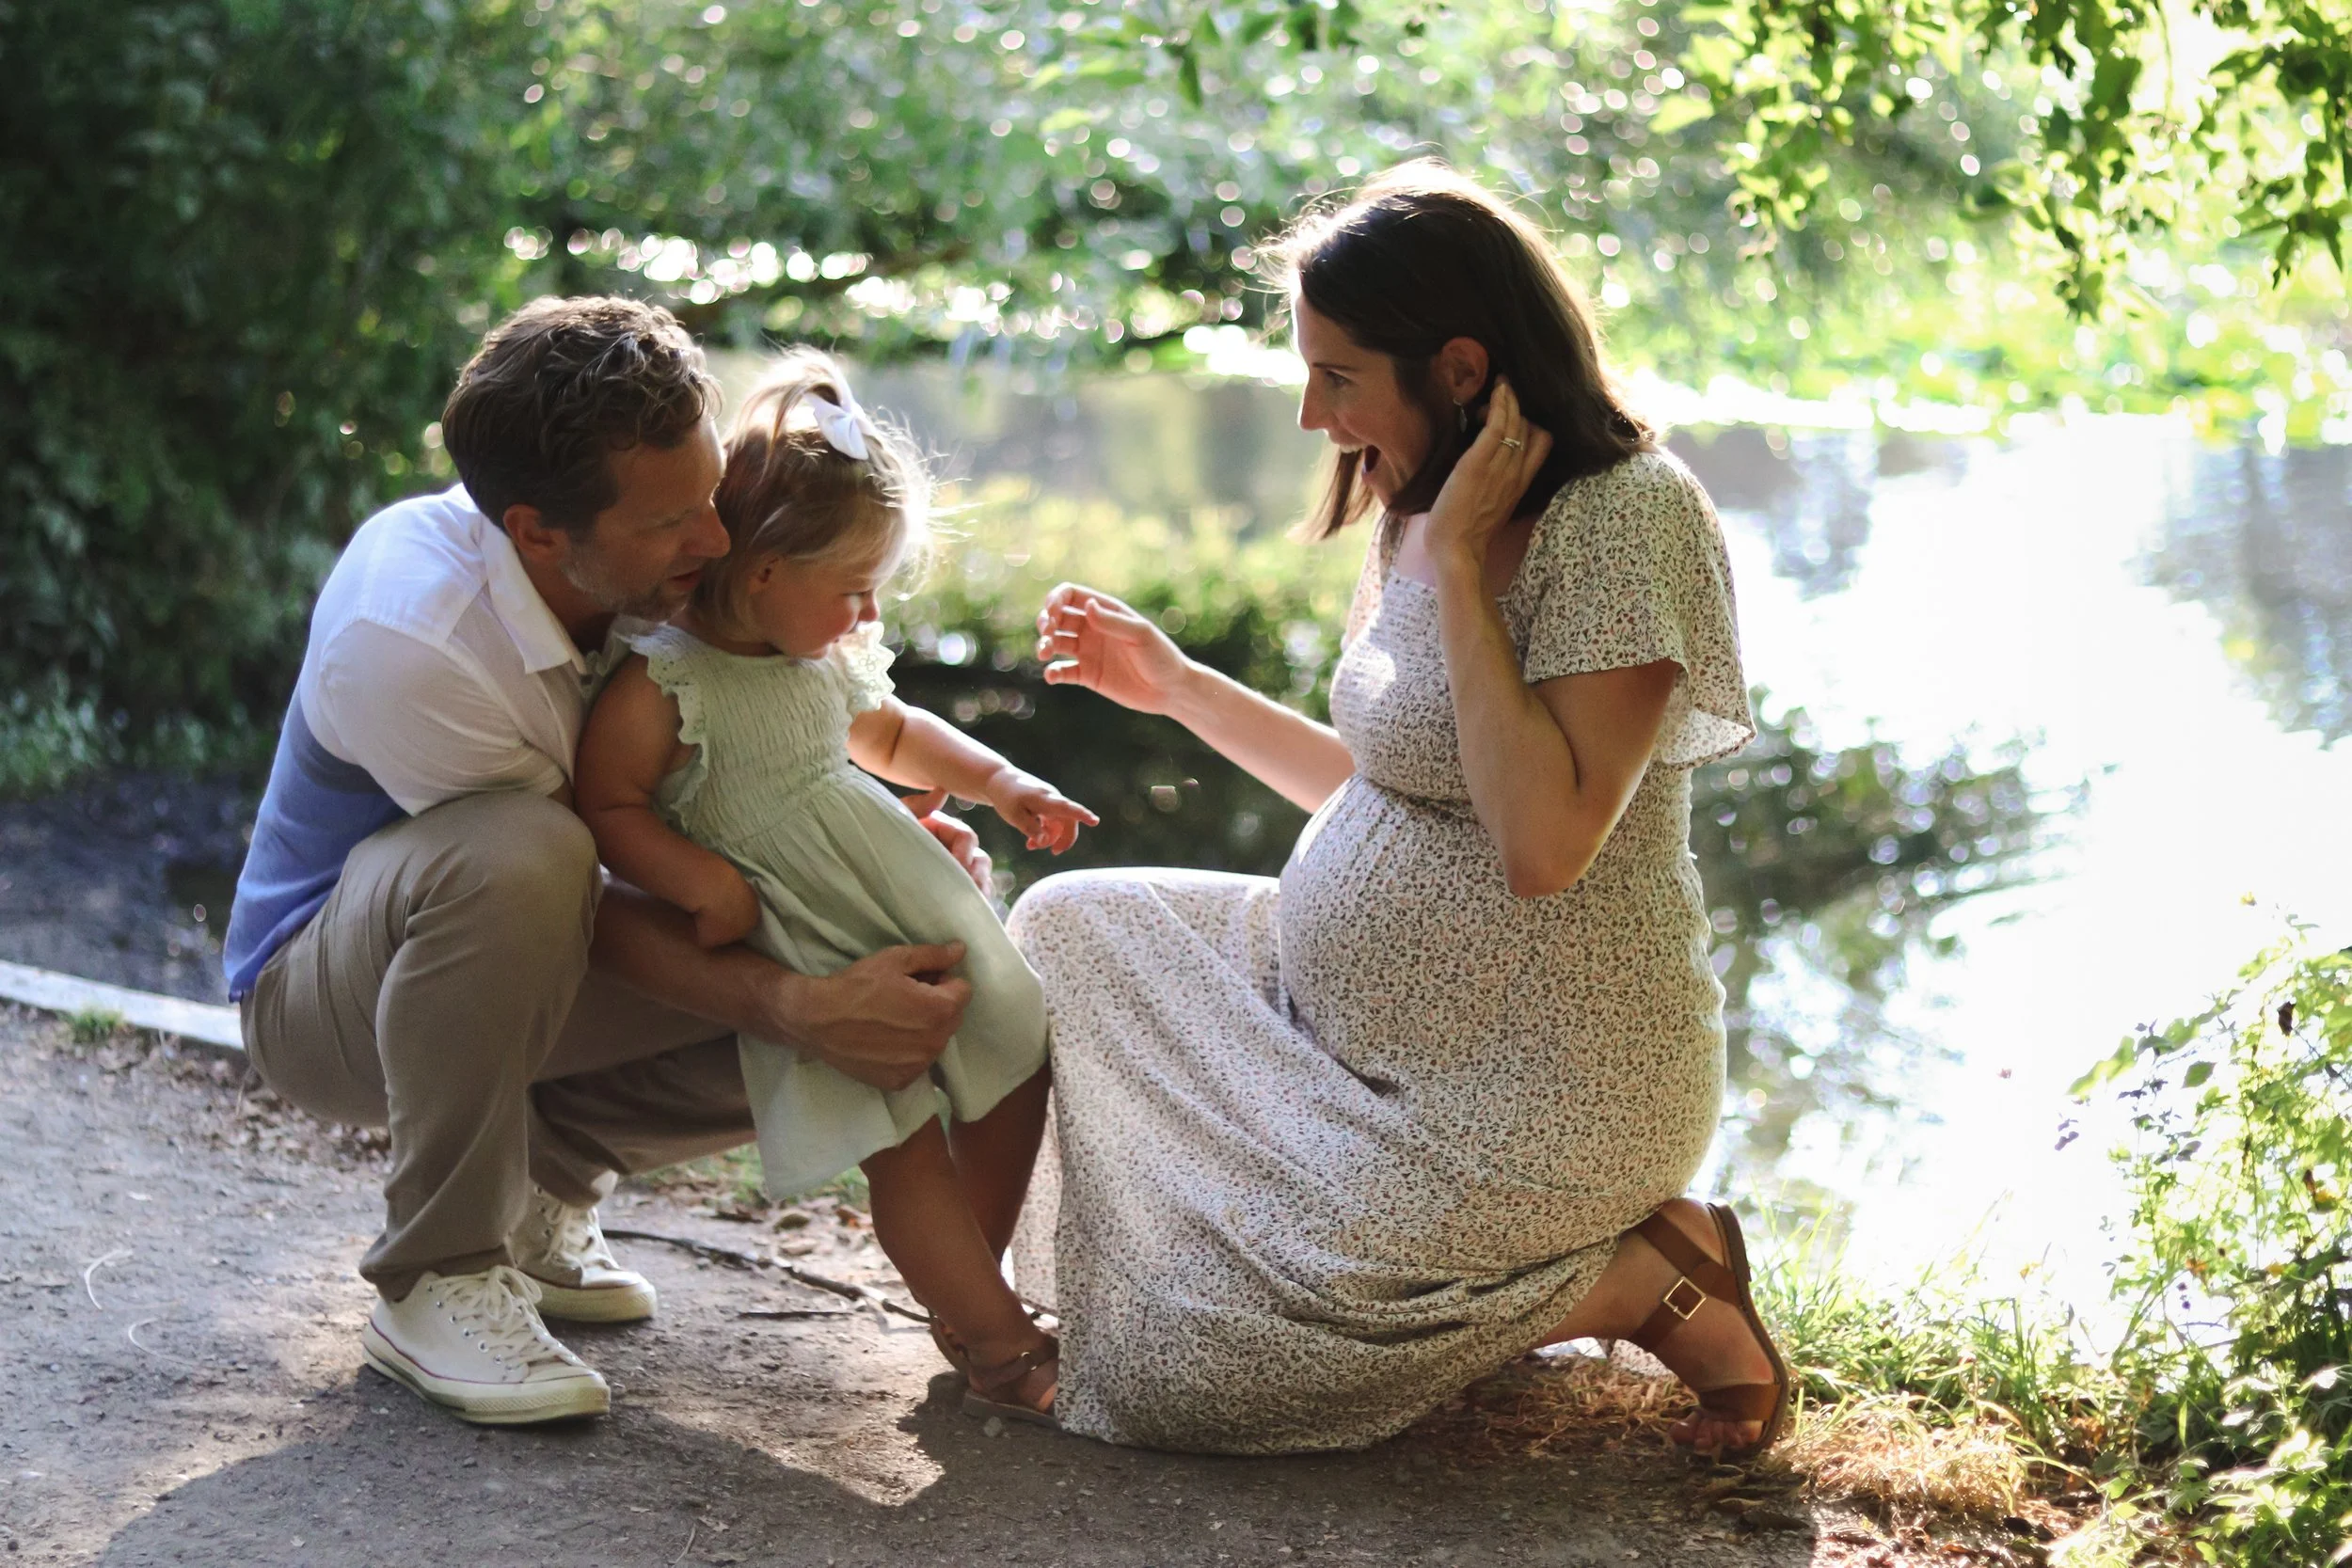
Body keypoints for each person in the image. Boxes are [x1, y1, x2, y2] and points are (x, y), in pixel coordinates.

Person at [1009, 161, 1788, 1456]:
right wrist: (1180, 687)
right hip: (1344, 1040)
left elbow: (1541, 844)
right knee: (1073, 924)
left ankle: (1649, 1273)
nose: (1317, 415)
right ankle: (1416, 1286)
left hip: (1545, 1090)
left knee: (1187, 1370)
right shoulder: (1417, 487)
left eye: (1340, 376)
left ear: (1463, 364)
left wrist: (1473, 572)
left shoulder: (1624, 520)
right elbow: (1397, 789)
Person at [223, 297, 984, 1425]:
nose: (719, 539)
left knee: (888, 933)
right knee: (521, 850)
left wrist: (875, 858)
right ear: (537, 530)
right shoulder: (416, 642)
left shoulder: (652, 571)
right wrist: (794, 1004)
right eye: (677, 519)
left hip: (516, 950)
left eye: (713, 491)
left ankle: (545, 1182)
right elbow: (564, 894)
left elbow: (732, 786)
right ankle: (436, 1271)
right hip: (329, 998)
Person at [575, 350, 1083, 1424]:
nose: (865, 614)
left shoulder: (820, 658)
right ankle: (995, 1344)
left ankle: (967, 1284)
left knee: (1016, 1052)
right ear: (762, 575)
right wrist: (694, 879)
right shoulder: (664, 680)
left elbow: (891, 731)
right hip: (802, 939)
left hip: (900, 896)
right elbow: (606, 805)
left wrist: (996, 780)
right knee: (893, 1133)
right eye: (851, 589)